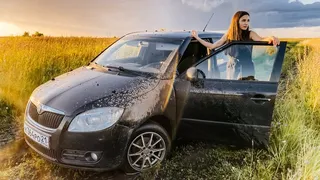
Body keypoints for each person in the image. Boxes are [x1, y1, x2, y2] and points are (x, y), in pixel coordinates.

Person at [191, 11, 280, 80]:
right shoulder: (229, 35)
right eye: (243, 20)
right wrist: (198, 38)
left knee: (246, 90)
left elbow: (261, 40)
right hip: (232, 67)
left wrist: (271, 37)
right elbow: (212, 46)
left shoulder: (250, 34)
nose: (246, 23)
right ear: (236, 21)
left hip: (247, 67)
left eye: (248, 20)